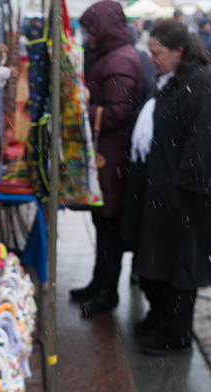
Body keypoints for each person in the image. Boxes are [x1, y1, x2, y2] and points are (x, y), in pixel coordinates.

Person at [124, 20, 211, 355]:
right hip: (161, 192)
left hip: (186, 198)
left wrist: (183, 190)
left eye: (158, 53)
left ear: (179, 51)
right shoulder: (171, 81)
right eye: (150, 53)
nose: (153, 60)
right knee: (156, 263)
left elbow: (206, 144)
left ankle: (175, 335)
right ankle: (159, 318)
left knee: (179, 269)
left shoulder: (203, 85)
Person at [70, 1, 144, 316]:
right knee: (102, 224)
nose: (86, 37)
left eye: (89, 30)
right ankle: (99, 283)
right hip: (107, 155)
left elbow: (118, 111)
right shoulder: (112, 57)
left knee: (109, 226)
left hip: (113, 158)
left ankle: (106, 292)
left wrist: (78, 113)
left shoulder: (119, 61)